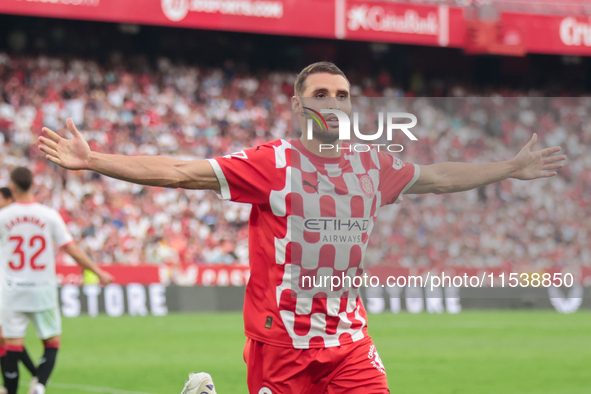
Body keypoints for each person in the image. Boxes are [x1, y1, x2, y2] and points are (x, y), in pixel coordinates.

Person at [38, 62, 566, 394]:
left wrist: (509, 167)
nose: (333, 104)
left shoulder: (372, 166)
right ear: (298, 106)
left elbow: (440, 178)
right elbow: (182, 171)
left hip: (349, 341)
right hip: (281, 343)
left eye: (342, 95)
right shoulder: (273, 164)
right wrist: (95, 160)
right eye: (321, 94)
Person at [0, 168, 113, 394]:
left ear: (12, 187)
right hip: (42, 289)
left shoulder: (3, 216)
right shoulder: (48, 215)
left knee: (10, 346)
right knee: (51, 342)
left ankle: (10, 391)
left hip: (11, 291)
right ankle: (39, 385)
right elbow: (71, 249)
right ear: (33, 185)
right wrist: (98, 272)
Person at [0, 187, 38, 394]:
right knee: (4, 338)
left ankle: (30, 378)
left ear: (8, 199)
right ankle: (31, 378)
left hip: (9, 286)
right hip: (8, 284)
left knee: (8, 338)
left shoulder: (9, 219)